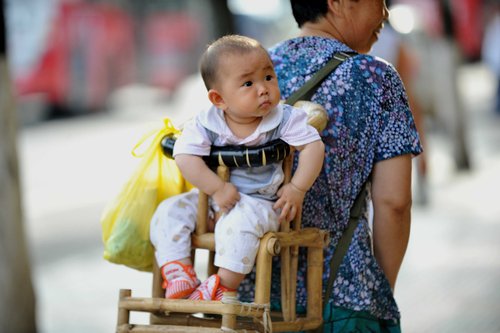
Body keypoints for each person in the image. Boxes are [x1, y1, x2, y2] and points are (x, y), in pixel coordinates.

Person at [237, 1, 423, 331]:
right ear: (336, 3)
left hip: (253, 294)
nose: (385, 13)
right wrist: (379, 291)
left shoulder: (251, 72)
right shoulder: (375, 77)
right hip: (343, 299)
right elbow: (394, 202)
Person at [149, 35, 325, 301]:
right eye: (248, 83)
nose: (263, 89)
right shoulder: (207, 122)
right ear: (219, 99)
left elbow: (314, 147)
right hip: (212, 203)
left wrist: (297, 188)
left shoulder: (283, 118)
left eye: (268, 77)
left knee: (241, 225)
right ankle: (179, 270)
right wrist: (216, 188)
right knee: (168, 211)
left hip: (259, 203)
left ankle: (222, 286)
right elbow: (184, 155)